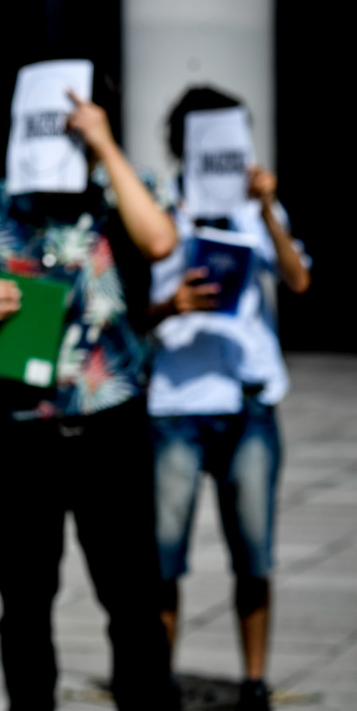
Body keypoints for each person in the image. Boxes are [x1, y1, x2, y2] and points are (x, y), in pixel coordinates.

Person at [0, 67, 179, 710]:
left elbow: (160, 241)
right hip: (22, 431)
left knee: (133, 599)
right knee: (24, 605)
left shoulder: (122, 193)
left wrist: (105, 147)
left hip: (111, 427)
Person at [147, 86, 310, 711]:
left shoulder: (253, 208)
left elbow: (298, 280)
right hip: (177, 402)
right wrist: (173, 303)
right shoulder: (160, 206)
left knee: (255, 550)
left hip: (248, 399)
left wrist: (267, 209)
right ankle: (160, 679)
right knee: (164, 559)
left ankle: (254, 681)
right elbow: (136, 308)